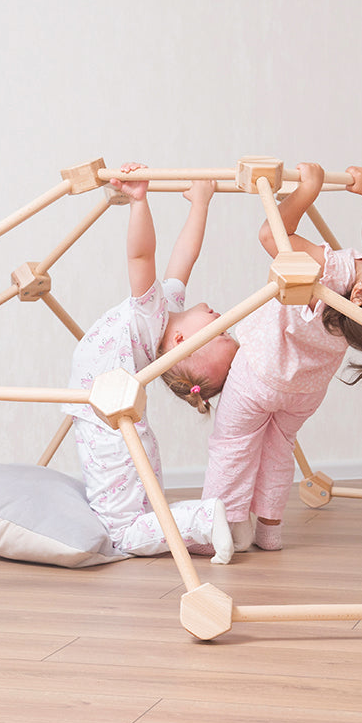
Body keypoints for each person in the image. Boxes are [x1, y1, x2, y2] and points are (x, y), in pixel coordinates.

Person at [202, 162, 362, 551]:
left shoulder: (334, 273)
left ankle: (222, 528)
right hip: (304, 393)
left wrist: (306, 191)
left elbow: (272, 236)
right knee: (277, 452)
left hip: (259, 373)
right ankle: (269, 530)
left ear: (361, 295)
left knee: (233, 445)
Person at [66, 163, 239, 562]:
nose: (224, 319)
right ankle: (204, 528)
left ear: (181, 343)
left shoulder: (151, 315)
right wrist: (201, 202)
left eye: (220, 332)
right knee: (145, 512)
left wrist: (139, 203)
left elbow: (141, 255)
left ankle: (201, 518)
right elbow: (185, 255)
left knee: (122, 533)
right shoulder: (170, 309)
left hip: (108, 426)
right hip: (125, 424)